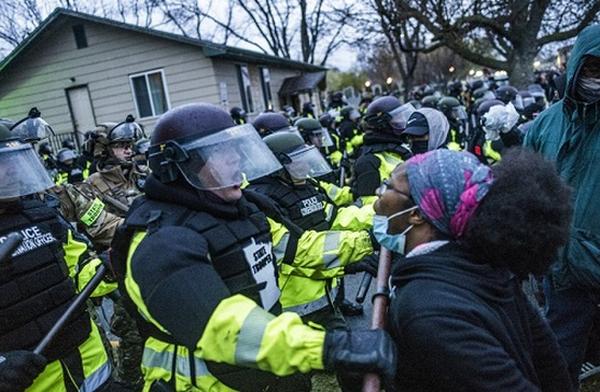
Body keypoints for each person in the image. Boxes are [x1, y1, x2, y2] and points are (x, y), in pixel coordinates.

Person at [111, 103, 396, 391]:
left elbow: (302, 246)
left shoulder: (241, 208)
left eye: (236, 148)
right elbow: (220, 325)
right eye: (220, 152)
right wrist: (330, 347)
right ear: (183, 165)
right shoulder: (160, 241)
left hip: (267, 370)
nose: (237, 159)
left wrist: (364, 241)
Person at [374, 148, 573, 391]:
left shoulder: (428, 310)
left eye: (388, 185)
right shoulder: (488, 269)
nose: (379, 193)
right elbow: (551, 364)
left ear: (416, 214)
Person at [0, 126, 115, 391]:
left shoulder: (41, 214)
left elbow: (79, 271)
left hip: (92, 369)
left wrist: (109, 267)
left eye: (15, 161)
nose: (14, 170)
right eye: (3, 163)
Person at [520, 24, 600, 389]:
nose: (596, 78)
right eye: (591, 68)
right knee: (557, 361)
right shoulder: (544, 126)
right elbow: (524, 191)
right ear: (576, 69)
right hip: (563, 268)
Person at [352, 96, 413, 202]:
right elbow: (372, 206)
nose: (403, 120)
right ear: (381, 123)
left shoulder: (403, 147)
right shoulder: (368, 162)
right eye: (398, 117)